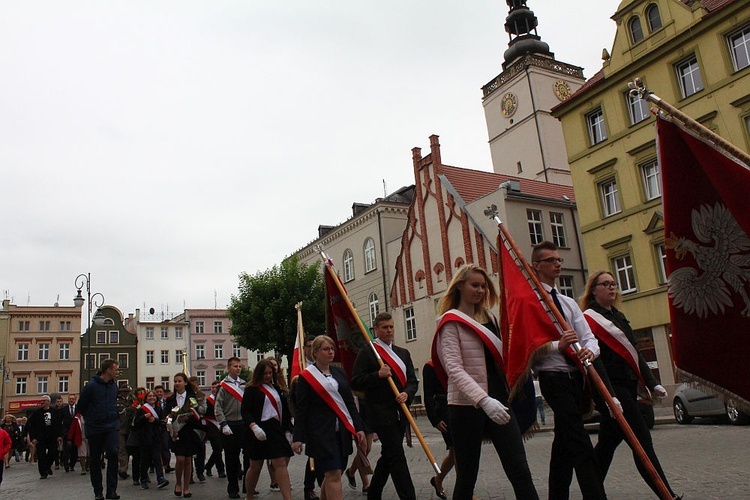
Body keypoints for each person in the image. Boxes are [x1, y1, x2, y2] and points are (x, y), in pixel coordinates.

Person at [432, 264, 538, 499]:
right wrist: (483, 400)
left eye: (483, 286)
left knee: (520, 469)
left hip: (500, 402)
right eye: (475, 285)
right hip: (466, 407)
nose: (480, 290)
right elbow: (455, 370)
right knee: (467, 477)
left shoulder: (489, 317)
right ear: (460, 286)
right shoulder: (449, 323)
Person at [581, 271, 680, 499]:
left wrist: (652, 383)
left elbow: (634, 353)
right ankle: (668, 495)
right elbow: (597, 362)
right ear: (593, 290)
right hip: (614, 389)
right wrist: (609, 394)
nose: (612, 288)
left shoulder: (618, 316)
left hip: (628, 385)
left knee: (606, 446)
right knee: (642, 442)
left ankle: (591, 491)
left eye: (613, 284)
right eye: (605, 284)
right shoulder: (589, 319)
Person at [530, 241, 611, 500]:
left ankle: (557, 495)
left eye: (559, 260)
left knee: (563, 444)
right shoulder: (531, 301)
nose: (558, 264)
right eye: (551, 260)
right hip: (553, 376)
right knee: (579, 440)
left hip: (577, 376)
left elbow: (588, 337)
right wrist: (557, 345)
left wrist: (590, 351)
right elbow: (527, 345)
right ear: (537, 266)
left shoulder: (567, 302)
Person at [351, 312, 418, 500]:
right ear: (376, 330)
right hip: (380, 413)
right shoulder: (368, 352)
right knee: (397, 456)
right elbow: (356, 381)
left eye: (391, 327)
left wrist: (408, 393)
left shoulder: (403, 353)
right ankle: (408, 496)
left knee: (388, 455)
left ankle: (374, 493)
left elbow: (412, 381)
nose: (389, 331)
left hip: (400, 412)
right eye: (385, 328)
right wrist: (377, 376)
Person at [293, 335, 366, 500]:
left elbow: (349, 403)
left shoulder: (339, 372)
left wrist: (359, 427)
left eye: (332, 349)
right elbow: (301, 409)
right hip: (320, 434)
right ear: (316, 352)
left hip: (341, 432)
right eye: (326, 349)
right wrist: (297, 438)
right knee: (333, 473)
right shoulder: (307, 377)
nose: (330, 352)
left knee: (335, 473)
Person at [241, 358, 294, 500]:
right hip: (258, 430)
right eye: (265, 373)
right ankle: (249, 496)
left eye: (270, 373)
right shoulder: (251, 390)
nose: (268, 376)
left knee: (280, 463)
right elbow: (245, 411)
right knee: (255, 466)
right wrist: (254, 426)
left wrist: (288, 430)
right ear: (259, 374)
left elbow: (285, 411)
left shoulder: (276, 388)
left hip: (275, 429)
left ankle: (287, 497)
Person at [78, 359, 122, 500]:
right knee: (95, 459)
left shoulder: (114, 386)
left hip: (111, 425)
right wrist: (92, 418)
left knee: (113, 453)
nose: (117, 372)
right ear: (108, 370)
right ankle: (98, 492)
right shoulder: (91, 386)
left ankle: (111, 490)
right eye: (115, 369)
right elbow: (81, 407)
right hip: (95, 427)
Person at [165, 372, 206, 498]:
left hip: (188, 431)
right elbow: (167, 416)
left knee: (188, 460)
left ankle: (186, 487)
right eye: (175, 381)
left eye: (180, 381)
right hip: (177, 432)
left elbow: (197, 417)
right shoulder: (170, 399)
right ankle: (178, 483)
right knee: (180, 459)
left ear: (185, 383)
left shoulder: (191, 398)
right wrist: (169, 420)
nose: (177, 383)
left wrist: (187, 419)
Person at [215, 356, 247, 499]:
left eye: (239, 366)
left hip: (243, 424)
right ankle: (232, 488)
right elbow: (218, 407)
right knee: (231, 458)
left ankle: (248, 485)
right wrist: (223, 423)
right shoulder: (223, 386)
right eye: (235, 366)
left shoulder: (244, 385)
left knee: (248, 456)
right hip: (230, 424)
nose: (238, 368)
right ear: (228, 368)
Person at [422, 360, 454, 499]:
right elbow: (428, 395)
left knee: (454, 454)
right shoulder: (430, 366)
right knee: (459, 451)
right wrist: (434, 419)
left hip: (459, 408)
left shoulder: (455, 362)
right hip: (444, 411)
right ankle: (465, 491)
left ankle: (438, 480)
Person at [133, 389, 169, 490]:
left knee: (157, 459)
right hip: (144, 438)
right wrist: (144, 417)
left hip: (155, 437)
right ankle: (143, 479)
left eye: (153, 396)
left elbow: (163, 422)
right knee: (145, 460)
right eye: (149, 396)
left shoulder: (159, 409)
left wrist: (155, 420)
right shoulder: (142, 410)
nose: (152, 397)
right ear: (146, 398)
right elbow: (136, 424)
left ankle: (160, 479)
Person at [264, 356, 289, 492]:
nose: (274, 368)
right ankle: (274, 480)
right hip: (270, 423)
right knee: (272, 456)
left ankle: (282, 477)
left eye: (275, 365)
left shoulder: (281, 382)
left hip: (284, 421)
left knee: (286, 452)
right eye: (271, 365)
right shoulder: (263, 384)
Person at [26, 394, 63, 480]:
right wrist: (33, 438)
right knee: (41, 455)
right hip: (40, 437)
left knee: (53, 453)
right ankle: (43, 473)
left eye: (44, 401)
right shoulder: (36, 412)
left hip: (52, 436)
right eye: (41, 401)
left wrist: (59, 435)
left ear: (48, 402)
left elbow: (59, 425)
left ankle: (47, 466)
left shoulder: (55, 412)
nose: (42, 402)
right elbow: (32, 426)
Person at [202, 380, 226, 478]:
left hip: (222, 425)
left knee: (220, 448)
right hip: (212, 426)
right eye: (213, 387)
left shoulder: (223, 400)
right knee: (217, 448)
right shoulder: (208, 401)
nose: (214, 389)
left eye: (216, 387)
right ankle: (221, 470)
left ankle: (208, 466)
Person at [125, 387, 146, 485]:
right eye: (140, 394)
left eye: (143, 394)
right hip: (135, 435)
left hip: (145, 434)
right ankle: (136, 477)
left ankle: (144, 475)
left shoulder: (147, 406)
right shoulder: (131, 408)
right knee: (136, 458)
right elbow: (129, 422)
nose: (142, 395)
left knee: (145, 457)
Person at [154, 385, 173, 473]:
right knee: (156, 446)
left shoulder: (166, 402)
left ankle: (167, 464)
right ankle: (154, 464)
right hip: (155, 427)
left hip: (165, 426)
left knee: (165, 445)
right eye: (157, 392)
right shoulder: (153, 403)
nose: (159, 393)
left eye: (160, 392)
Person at [115, 385, 132, 480]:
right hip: (120, 429)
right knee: (122, 450)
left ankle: (125, 468)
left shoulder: (132, 401)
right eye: (123, 391)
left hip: (130, 429)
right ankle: (123, 469)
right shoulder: (117, 402)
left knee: (130, 449)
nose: (125, 393)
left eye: (126, 391)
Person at [65, 394, 79, 471]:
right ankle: (66, 465)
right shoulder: (64, 409)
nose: (71, 400)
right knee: (66, 450)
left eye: (72, 399)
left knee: (74, 451)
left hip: (76, 433)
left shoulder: (78, 408)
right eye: (70, 399)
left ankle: (72, 465)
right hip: (66, 432)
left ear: (75, 400)